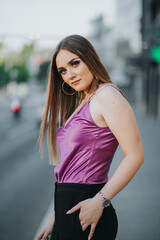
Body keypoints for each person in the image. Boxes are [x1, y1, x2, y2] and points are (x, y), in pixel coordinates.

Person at [37, 34, 144, 240]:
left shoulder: (106, 95)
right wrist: (56, 217)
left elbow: (135, 154)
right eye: (63, 71)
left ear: (90, 58)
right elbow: (70, 167)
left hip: (89, 207)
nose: (69, 75)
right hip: (67, 211)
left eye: (74, 63)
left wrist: (100, 201)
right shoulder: (84, 100)